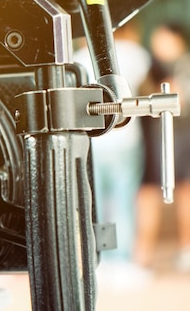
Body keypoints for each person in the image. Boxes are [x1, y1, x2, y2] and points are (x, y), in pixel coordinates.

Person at [73, 19, 152, 275]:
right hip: (126, 141)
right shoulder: (134, 54)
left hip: (94, 142)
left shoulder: (80, 57)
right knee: (123, 200)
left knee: (95, 200)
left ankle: (100, 258)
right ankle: (122, 260)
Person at [134, 22, 190, 272]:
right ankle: (141, 255)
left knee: (186, 194)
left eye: (163, 39)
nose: (158, 45)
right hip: (155, 143)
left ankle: (186, 249)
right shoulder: (150, 67)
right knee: (148, 194)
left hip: (184, 140)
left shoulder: (185, 66)